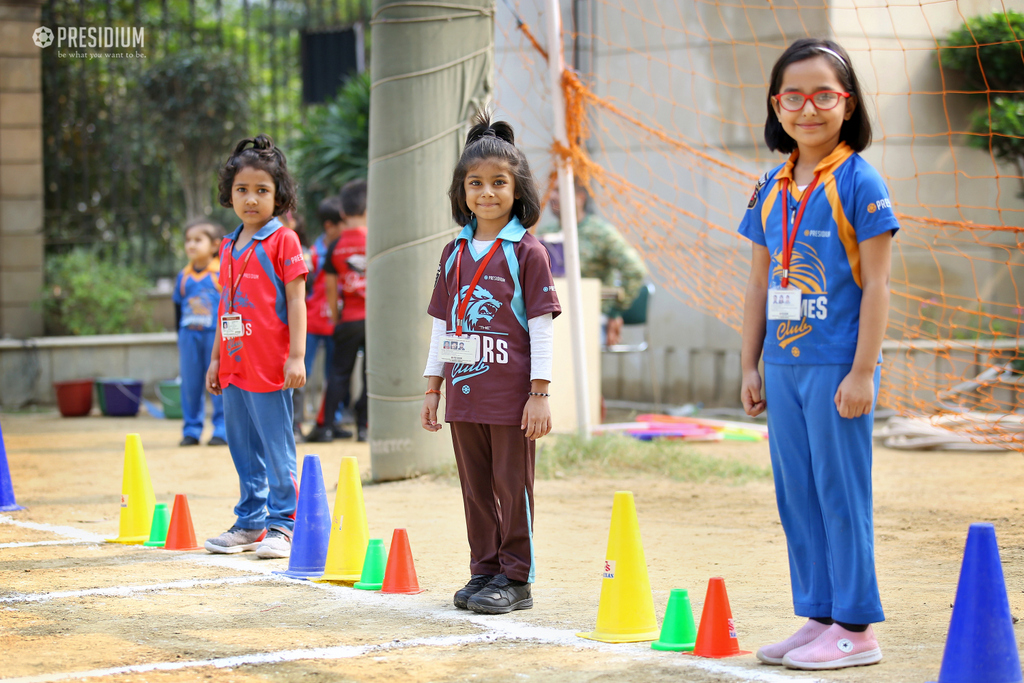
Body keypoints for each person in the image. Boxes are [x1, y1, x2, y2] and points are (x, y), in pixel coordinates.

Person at [739, 39, 897, 670]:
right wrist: (749, 364)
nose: (808, 108)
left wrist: (862, 371)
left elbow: (879, 284)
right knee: (796, 494)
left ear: (847, 103)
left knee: (839, 493)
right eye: (793, 96)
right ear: (776, 105)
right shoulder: (771, 185)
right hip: (782, 367)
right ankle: (820, 615)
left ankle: (857, 628)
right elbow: (756, 283)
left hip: (838, 367)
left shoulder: (862, 181)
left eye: (823, 94)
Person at [421, 112, 561, 615]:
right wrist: (433, 386)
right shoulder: (452, 252)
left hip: (511, 401)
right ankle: (484, 570)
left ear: (517, 189)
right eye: (474, 183)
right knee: (476, 489)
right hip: (463, 395)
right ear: (461, 192)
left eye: (498, 183)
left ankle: (516, 578)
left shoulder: (529, 252)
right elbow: (441, 323)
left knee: (512, 487)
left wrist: (539, 394)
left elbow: (542, 326)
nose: (486, 193)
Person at [204, 135, 308, 559]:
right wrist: (214, 359)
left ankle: (284, 524)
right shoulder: (227, 246)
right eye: (242, 190)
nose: (251, 199)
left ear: (278, 196)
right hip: (233, 367)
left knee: (276, 444)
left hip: (271, 367)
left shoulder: (284, 241)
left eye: (262, 190)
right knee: (241, 444)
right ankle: (250, 521)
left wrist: (297, 356)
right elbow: (223, 307)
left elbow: (297, 300)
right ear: (229, 194)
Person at [537, 181, 645, 345]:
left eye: (559, 191)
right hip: (550, 318)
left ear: (580, 197)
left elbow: (635, 270)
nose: (552, 196)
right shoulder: (546, 233)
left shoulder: (600, 233)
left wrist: (614, 312)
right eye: (551, 191)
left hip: (590, 319)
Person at [306, 179, 368, 443]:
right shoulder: (376, 241)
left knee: (338, 374)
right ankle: (364, 426)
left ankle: (326, 426)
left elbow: (331, 288)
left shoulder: (335, 246)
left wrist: (335, 315)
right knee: (370, 374)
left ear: (342, 213)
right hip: (373, 322)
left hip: (347, 321)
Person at [294, 196, 346, 439]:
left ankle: (330, 422)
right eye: (344, 223)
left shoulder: (347, 250)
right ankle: (295, 423)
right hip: (312, 323)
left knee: (333, 376)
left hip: (336, 324)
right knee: (300, 373)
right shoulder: (312, 254)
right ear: (329, 226)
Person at [173, 219, 227, 447]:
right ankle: (192, 430)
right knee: (190, 384)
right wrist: (180, 338)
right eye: (188, 240)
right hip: (189, 337)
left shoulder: (221, 273)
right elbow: (177, 307)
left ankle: (222, 430)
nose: (191, 245)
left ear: (215, 245)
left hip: (214, 336)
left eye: (198, 240)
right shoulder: (183, 277)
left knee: (219, 383)